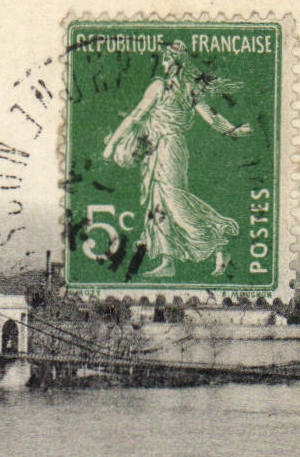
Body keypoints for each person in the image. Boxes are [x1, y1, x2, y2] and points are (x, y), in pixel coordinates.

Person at [102, 41, 251, 279]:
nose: (163, 63)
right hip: (161, 149)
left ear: (177, 63)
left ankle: (220, 240)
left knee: (173, 202)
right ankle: (167, 260)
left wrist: (111, 145)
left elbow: (208, 116)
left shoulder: (169, 88)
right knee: (158, 204)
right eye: (163, 59)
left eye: (167, 59)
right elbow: (137, 116)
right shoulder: (175, 88)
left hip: (169, 149)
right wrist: (231, 130)